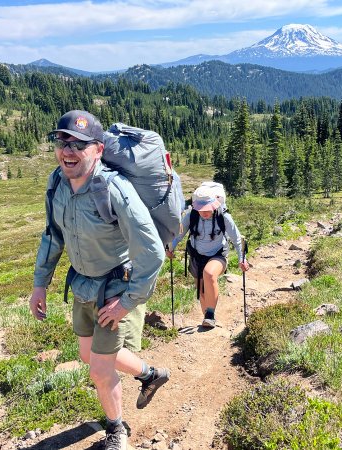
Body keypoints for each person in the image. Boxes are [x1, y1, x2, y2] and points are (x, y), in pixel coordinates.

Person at [30, 110, 169, 450]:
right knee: (87, 355)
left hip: (115, 288)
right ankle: (151, 374)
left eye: (79, 144)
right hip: (82, 285)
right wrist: (39, 284)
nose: (68, 151)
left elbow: (152, 251)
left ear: (98, 149)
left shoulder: (114, 190)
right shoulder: (57, 184)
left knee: (99, 370)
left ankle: (117, 430)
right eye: (62, 141)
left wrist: (127, 303)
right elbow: (53, 236)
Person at [166, 184, 249, 328]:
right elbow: (178, 236)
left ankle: (210, 314)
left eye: (207, 209)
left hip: (218, 254)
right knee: (202, 289)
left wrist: (242, 259)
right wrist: (170, 248)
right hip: (196, 256)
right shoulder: (191, 216)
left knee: (209, 274)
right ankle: (207, 318)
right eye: (201, 209)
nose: (204, 212)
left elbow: (236, 239)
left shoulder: (224, 217)